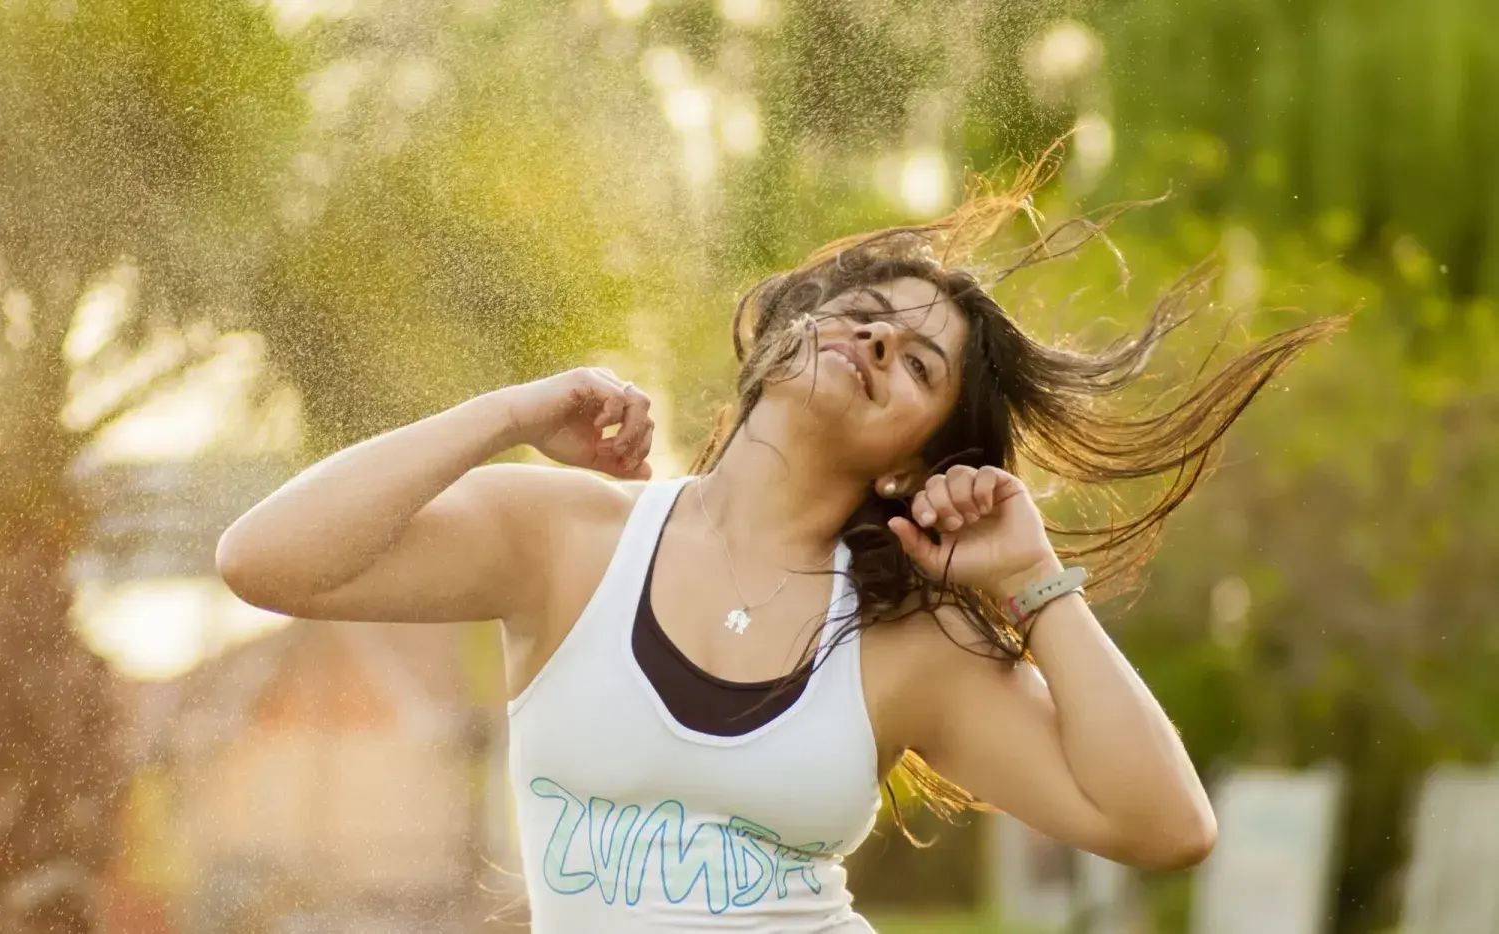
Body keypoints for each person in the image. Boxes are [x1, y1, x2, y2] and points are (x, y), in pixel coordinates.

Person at [216, 169, 1336, 932]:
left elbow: (1167, 824)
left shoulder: (909, 645)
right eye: (869, 310)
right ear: (797, 325)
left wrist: (1035, 587)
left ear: (911, 463)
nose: (880, 336)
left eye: (918, 367)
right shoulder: (565, 539)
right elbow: (265, 559)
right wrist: (512, 411)